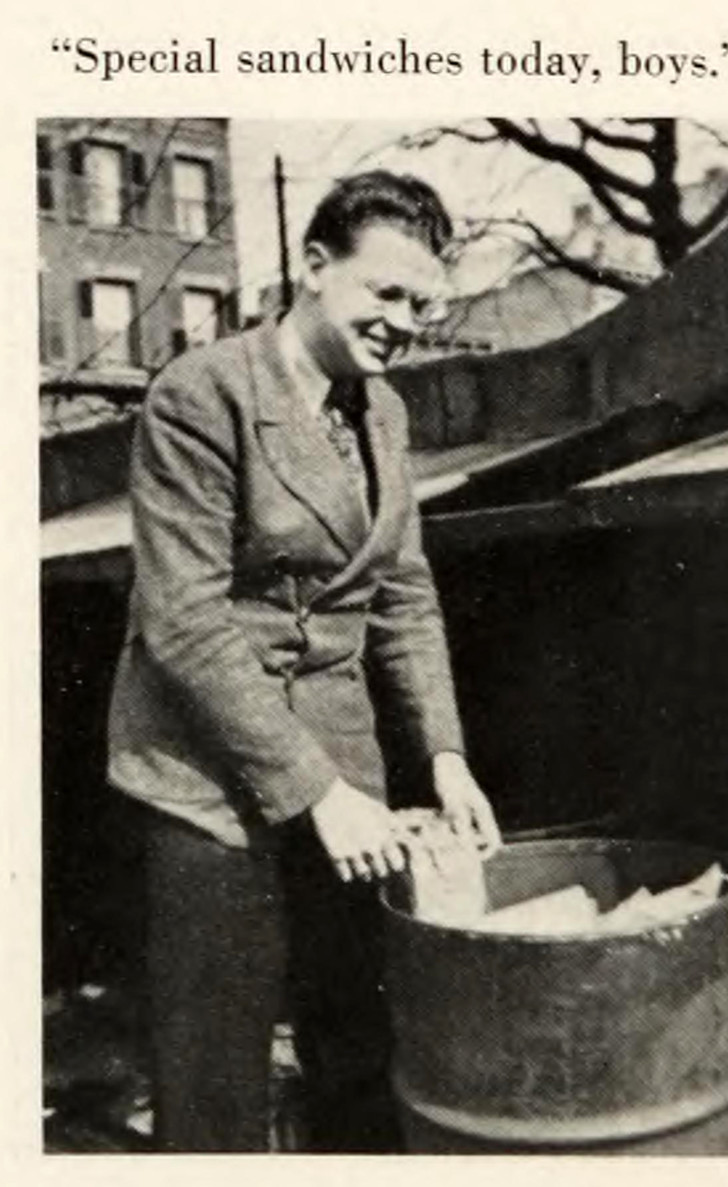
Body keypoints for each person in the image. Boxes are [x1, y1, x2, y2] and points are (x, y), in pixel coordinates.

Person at [108, 170, 501, 1152]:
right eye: (386, 292)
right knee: (216, 1088)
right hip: (207, 782)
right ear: (315, 265)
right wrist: (318, 793)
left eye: (423, 304)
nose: (404, 322)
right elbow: (185, 621)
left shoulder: (385, 412)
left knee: (360, 1054)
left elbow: (401, 593)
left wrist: (445, 759)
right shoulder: (201, 394)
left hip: (348, 784)